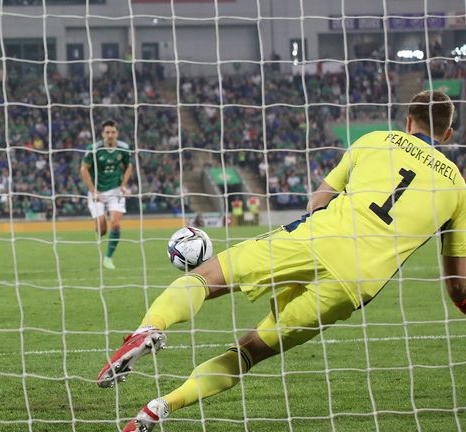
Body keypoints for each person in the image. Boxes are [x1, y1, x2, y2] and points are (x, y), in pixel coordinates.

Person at [97, 90, 466, 431]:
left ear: (407, 122)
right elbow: (457, 285)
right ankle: (160, 407)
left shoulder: (374, 140)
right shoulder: (458, 187)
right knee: (251, 350)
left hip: (316, 238)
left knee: (208, 277)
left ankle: (149, 330)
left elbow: (319, 200)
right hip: (356, 283)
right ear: (448, 134)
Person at [80, 120, 133, 270]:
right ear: (103, 134)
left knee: (116, 223)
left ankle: (108, 258)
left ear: (117, 133)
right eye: (107, 132)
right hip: (97, 191)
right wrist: (92, 190)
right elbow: (84, 169)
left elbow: (129, 166)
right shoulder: (94, 149)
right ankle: (99, 222)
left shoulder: (124, 148)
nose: (110, 135)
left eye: (113, 132)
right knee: (102, 229)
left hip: (115, 190)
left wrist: (123, 185)